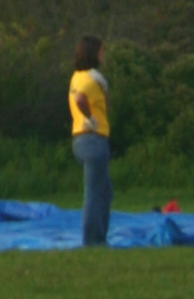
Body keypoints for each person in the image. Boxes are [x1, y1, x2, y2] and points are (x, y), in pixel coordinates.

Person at [69, 35, 111, 246]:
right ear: (93, 53)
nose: (104, 55)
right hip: (94, 140)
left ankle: (99, 237)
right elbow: (80, 99)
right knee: (94, 193)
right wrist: (91, 118)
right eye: (102, 51)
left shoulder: (77, 76)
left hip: (79, 140)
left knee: (104, 191)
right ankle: (93, 241)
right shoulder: (93, 78)